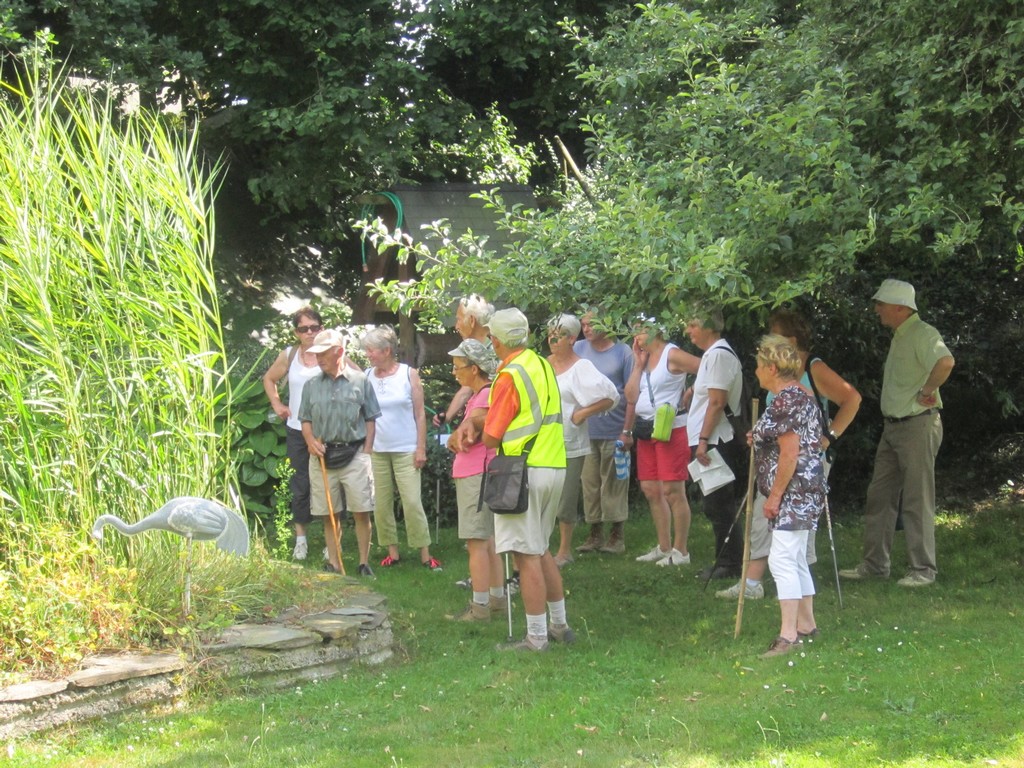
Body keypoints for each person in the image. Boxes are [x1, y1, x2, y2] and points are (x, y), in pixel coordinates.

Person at [717, 308, 861, 600]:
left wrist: (828, 438)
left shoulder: (813, 369)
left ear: (792, 341)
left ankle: (797, 590)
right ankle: (755, 582)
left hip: (801, 461)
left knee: (795, 524)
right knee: (763, 515)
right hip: (776, 459)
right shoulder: (780, 378)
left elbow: (852, 398)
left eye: (776, 336)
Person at [466, 308, 573, 652]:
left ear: (495, 341)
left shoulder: (510, 374)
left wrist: (480, 423)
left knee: (526, 556)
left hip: (523, 469)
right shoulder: (540, 363)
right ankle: (559, 625)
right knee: (541, 549)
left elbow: (493, 437)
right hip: (554, 464)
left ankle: (536, 638)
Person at [840, 279, 955, 587]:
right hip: (894, 427)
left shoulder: (923, 333)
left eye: (882, 304)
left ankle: (923, 570)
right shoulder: (901, 335)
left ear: (901, 308)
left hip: (917, 424)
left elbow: (945, 362)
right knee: (879, 495)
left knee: (917, 499)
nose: (877, 309)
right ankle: (875, 564)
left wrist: (928, 390)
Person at [751, 335, 827, 658]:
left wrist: (774, 497)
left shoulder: (786, 400)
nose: (755, 372)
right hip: (805, 490)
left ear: (771, 367)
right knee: (795, 557)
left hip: (793, 492)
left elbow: (790, 453)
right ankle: (807, 624)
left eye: (758, 366)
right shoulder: (798, 396)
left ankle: (788, 636)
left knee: (781, 559)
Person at [299, 329, 379, 577]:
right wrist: (310, 441)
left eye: (323, 353)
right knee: (328, 513)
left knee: (361, 510)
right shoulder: (311, 385)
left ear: (339, 352)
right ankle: (333, 562)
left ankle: (364, 563)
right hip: (322, 456)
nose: (318, 358)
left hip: (354, 453)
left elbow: (371, 419)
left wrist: (366, 452)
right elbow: (305, 420)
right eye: (316, 354)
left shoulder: (360, 381)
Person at [360, 326, 441, 570]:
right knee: (382, 504)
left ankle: (425, 553)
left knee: (412, 502)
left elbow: (420, 414)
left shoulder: (409, 374)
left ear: (386, 351)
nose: (368, 354)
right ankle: (392, 552)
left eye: (371, 350)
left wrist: (421, 448)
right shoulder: (366, 375)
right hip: (377, 450)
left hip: (406, 448)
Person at [624, 318, 700, 567]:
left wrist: (690, 393)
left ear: (656, 330)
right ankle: (663, 546)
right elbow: (631, 396)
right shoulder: (643, 359)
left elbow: (706, 368)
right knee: (650, 489)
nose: (636, 334)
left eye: (641, 328)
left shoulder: (672, 354)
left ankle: (682, 551)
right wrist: (637, 366)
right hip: (647, 429)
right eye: (634, 329)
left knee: (672, 490)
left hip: (671, 429)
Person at [546, 314, 618, 567]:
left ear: (571, 339)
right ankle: (541, 548)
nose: (552, 338)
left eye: (558, 334)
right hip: (544, 443)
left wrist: (582, 413)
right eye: (549, 333)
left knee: (565, 498)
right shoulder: (544, 365)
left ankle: (565, 551)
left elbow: (610, 396)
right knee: (544, 495)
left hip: (569, 443)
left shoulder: (581, 367)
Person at [445, 339, 507, 621]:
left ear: (474, 368)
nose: (454, 371)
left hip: (476, 473)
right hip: (483, 472)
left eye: (458, 366)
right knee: (489, 539)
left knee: (476, 541)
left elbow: (469, 438)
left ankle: (479, 607)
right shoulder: (482, 394)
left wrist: (454, 440)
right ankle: (496, 600)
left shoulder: (483, 397)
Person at [685, 308, 745, 580]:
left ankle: (730, 564)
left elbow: (718, 402)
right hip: (709, 440)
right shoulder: (713, 355)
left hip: (714, 440)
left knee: (719, 504)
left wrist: (703, 440)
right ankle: (726, 560)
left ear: (709, 326)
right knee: (714, 503)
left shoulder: (720, 355)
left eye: (693, 324)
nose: (688, 330)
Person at [262, 307, 325, 560]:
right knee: (300, 485)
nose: (309, 332)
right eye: (303, 328)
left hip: (326, 433)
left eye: (314, 327)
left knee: (330, 485)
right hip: (298, 430)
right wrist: (277, 405)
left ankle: (332, 542)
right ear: (296, 332)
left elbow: (354, 378)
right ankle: (301, 540)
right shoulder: (289, 355)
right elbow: (269, 379)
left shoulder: (330, 352)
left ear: (321, 328)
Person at [574, 311, 636, 555]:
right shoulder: (578, 348)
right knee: (589, 484)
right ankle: (594, 534)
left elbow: (631, 395)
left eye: (591, 324)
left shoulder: (623, 352)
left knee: (614, 483)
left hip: (615, 429)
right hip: (586, 431)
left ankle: (616, 535)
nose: (586, 329)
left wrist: (627, 431)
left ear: (606, 323)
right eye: (583, 325)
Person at [434, 294, 494, 427]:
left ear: (472, 321)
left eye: (459, 319)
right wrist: (448, 416)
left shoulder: (495, 353)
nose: (456, 326)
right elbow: (466, 390)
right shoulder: (471, 349)